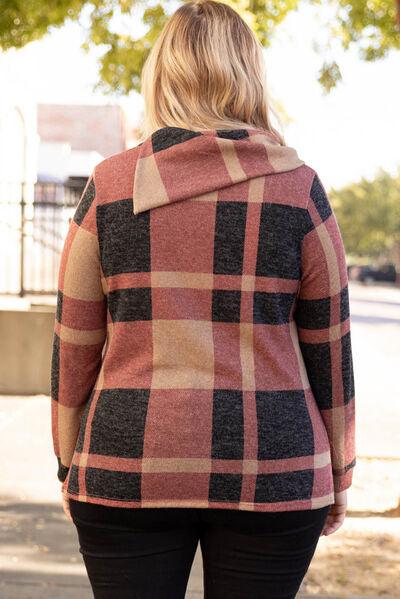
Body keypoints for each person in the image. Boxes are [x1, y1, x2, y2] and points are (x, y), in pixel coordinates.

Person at [50, 1, 356, 597]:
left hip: (126, 464)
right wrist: (339, 471)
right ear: (250, 77)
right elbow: (330, 347)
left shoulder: (111, 186)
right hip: (275, 471)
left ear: (161, 75)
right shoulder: (298, 189)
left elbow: (75, 341)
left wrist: (70, 459)